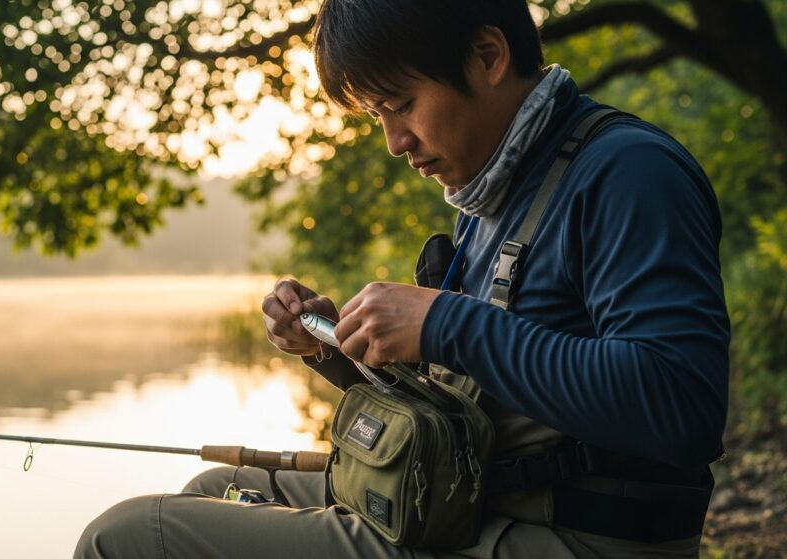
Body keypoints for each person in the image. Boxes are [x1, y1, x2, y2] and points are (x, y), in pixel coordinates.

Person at [74, 0, 730, 557]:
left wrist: (446, 323)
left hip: (568, 536)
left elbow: (681, 406)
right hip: (470, 505)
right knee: (212, 488)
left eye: (401, 104)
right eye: (378, 115)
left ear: (488, 55)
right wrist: (332, 346)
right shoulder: (501, 192)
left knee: (126, 537)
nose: (394, 141)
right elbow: (474, 408)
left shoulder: (628, 174)